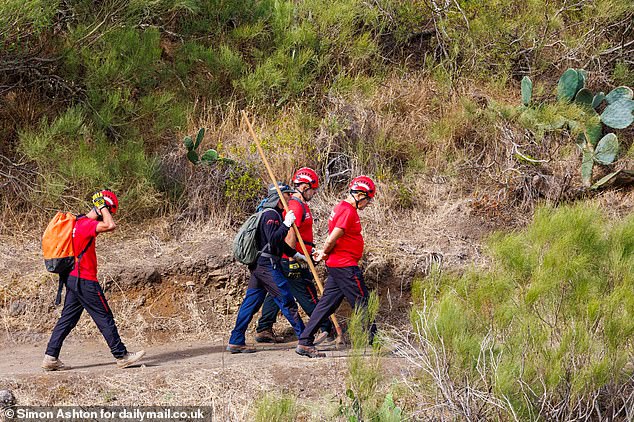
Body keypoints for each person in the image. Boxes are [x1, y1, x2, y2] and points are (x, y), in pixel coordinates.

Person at [42, 190, 146, 370]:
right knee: (104, 316)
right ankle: (121, 356)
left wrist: (102, 207)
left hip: (73, 278)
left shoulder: (77, 222)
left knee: (67, 319)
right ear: (101, 209)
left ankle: (50, 358)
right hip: (85, 280)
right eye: (109, 211)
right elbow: (110, 226)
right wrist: (103, 207)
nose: (108, 215)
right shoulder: (86, 225)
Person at [296, 176, 377, 358]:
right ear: (360, 194)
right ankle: (376, 340)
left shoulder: (341, 207)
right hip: (345, 267)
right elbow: (334, 236)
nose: (367, 204)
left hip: (337, 266)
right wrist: (324, 251)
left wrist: (325, 252)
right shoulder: (348, 211)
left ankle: (305, 341)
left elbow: (334, 235)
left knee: (326, 305)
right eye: (367, 200)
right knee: (363, 301)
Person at [254, 168, 334, 344]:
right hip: (292, 258)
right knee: (307, 293)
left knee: (279, 293)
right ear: (305, 186)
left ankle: (264, 328)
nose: (314, 193)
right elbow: (290, 233)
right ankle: (326, 327)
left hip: (294, 256)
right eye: (313, 189)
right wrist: (292, 260)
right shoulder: (296, 206)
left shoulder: (299, 204)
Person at [227, 183, 307, 353]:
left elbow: (274, 245)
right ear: (279, 198)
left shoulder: (269, 213)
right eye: (287, 195)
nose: (289, 198)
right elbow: (273, 241)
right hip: (268, 266)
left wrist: (295, 254)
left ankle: (236, 340)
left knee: (250, 303)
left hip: (259, 266)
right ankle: (305, 340)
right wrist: (286, 225)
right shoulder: (272, 215)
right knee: (286, 301)